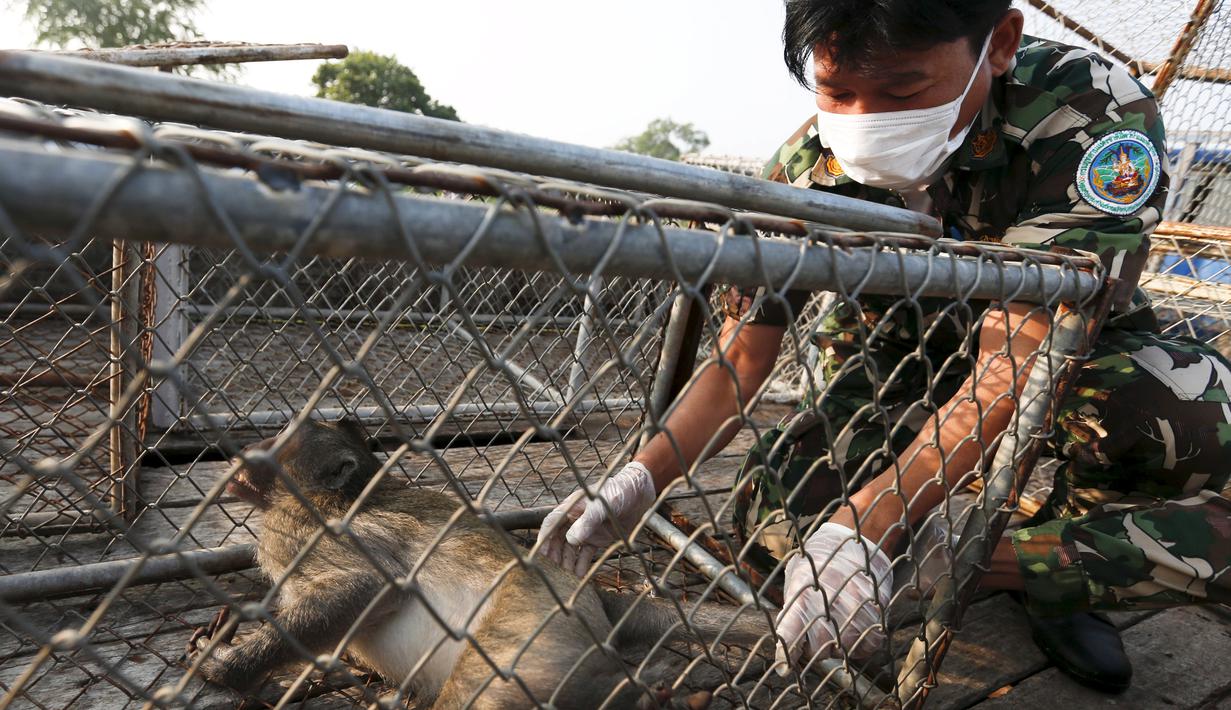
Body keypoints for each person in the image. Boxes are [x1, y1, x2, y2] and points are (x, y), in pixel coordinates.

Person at [537, 0, 1231, 694]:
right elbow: (742, 357)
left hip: (1060, 356)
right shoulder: (805, 172)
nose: (865, 121)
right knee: (771, 523)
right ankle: (942, 557)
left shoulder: (1084, 115)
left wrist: (867, 525)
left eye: (903, 90)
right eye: (836, 91)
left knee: (1185, 414)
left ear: (998, 44)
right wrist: (640, 478)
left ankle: (1042, 574)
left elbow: (1015, 362)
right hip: (898, 353)